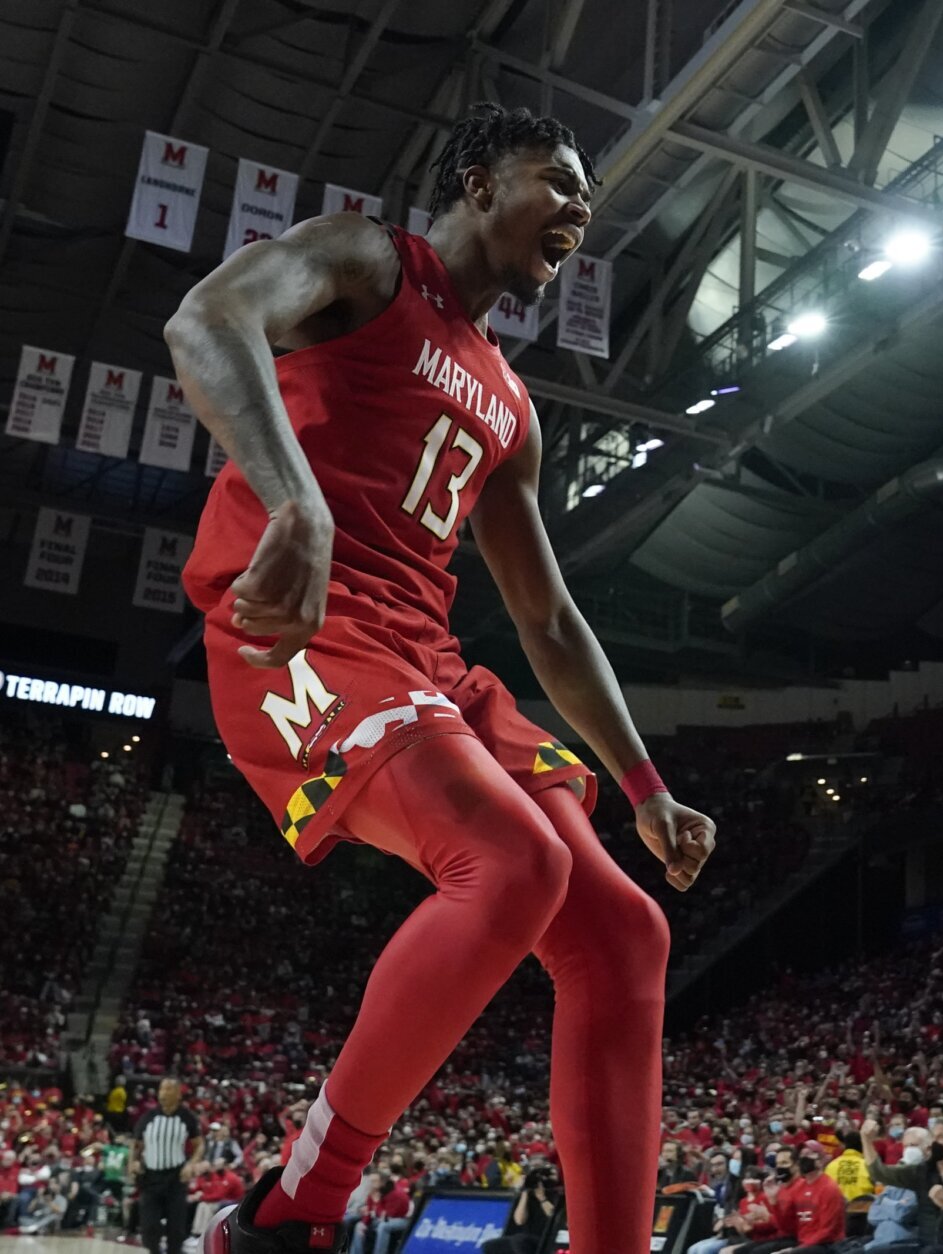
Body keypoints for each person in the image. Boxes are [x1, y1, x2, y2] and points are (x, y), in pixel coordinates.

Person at [168, 102, 719, 1254]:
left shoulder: (510, 404)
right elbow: (206, 318)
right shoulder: (366, 260)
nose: (580, 209)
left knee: (624, 936)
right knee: (511, 862)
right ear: (478, 181)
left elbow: (548, 619)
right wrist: (296, 502)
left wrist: (646, 786)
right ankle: (292, 1215)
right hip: (306, 636)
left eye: (587, 197)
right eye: (558, 181)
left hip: (426, 658)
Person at [859, 1116, 943, 1254]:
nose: (935, 1142)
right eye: (933, 1137)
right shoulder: (921, 1171)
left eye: (941, 1137)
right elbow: (879, 1173)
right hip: (922, 1245)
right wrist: (866, 1139)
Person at [132, 1077, 203, 1254]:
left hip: (176, 1177)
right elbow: (136, 1145)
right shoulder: (148, 1117)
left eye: (168, 1089)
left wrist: (191, 1164)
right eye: (161, 1089)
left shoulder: (187, 1117)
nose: (163, 1093)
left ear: (178, 1094)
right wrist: (133, 1162)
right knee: (149, 1226)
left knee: (176, 1228)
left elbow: (199, 1145)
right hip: (150, 1177)